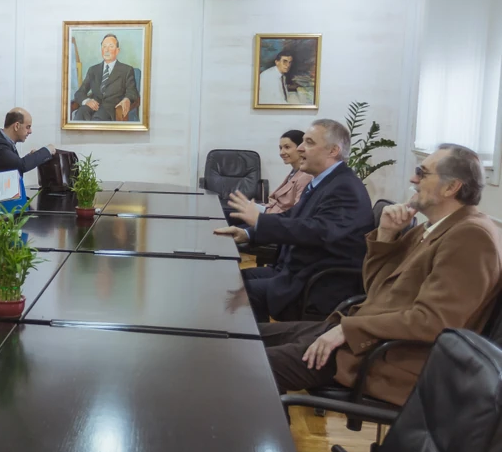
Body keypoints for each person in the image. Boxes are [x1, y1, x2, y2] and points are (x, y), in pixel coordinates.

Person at [260, 144, 502, 406]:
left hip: (386, 358)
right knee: (244, 337)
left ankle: (269, 433)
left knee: (251, 365)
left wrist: (347, 330)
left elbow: (433, 321)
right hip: (363, 336)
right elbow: (377, 289)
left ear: (450, 187)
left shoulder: (471, 236)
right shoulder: (433, 228)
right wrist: (386, 235)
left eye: (422, 172)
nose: (413, 179)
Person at [215, 119, 374, 322]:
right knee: (233, 281)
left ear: (333, 150)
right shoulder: (325, 181)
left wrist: (261, 221)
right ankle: (258, 337)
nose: (300, 148)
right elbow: (292, 217)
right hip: (295, 272)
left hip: (317, 284)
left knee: (244, 292)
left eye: (309, 142)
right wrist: (246, 233)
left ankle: (261, 340)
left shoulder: (345, 187)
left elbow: (318, 231)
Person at [72, 34, 139, 122]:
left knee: (97, 120)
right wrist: (86, 101)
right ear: (101, 50)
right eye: (104, 46)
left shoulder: (126, 70)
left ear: (117, 50)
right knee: (80, 114)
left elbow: (132, 92)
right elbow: (80, 92)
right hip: (92, 107)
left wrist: (127, 99)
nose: (107, 50)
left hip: (111, 110)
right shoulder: (93, 70)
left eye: (111, 46)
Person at [0, 107, 55, 177]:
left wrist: (31, 156)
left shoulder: (3, 142)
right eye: (28, 127)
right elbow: (21, 166)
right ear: (16, 126)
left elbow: (14, 164)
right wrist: (47, 150)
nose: (30, 131)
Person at [259, 129, 312, 214]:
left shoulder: (306, 176)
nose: (281, 152)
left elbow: (297, 212)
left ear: (301, 148)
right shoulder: (294, 172)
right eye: (280, 148)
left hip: (278, 218)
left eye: (287, 147)